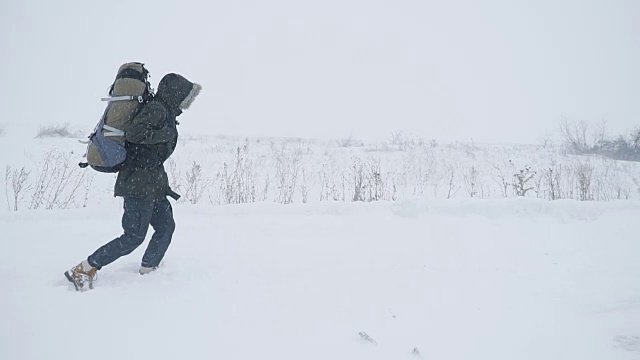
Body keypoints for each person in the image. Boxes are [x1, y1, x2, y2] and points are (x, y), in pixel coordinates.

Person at [65, 73, 202, 291]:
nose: (188, 102)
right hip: (138, 184)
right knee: (133, 237)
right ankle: (84, 268)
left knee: (166, 227)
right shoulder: (156, 109)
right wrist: (164, 134)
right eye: (186, 97)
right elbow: (135, 135)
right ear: (176, 94)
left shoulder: (164, 112)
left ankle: (149, 270)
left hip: (153, 183)